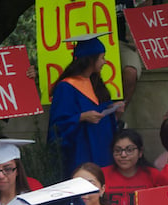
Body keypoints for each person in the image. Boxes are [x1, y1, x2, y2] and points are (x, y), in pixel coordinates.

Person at [48, 33, 125, 178]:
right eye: (102, 57)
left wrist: (115, 112)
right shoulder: (66, 87)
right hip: (80, 153)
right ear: (90, 60)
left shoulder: (97, 84)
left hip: (104, 153)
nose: (105, 62)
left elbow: (105, 121)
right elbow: (57, 126)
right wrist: (81, 117)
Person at [102, 129, 158, 205]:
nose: (123, 155)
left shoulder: (153, 175)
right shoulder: (102, 175)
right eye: (118, 150)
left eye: (129, 150)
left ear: (140, 152)